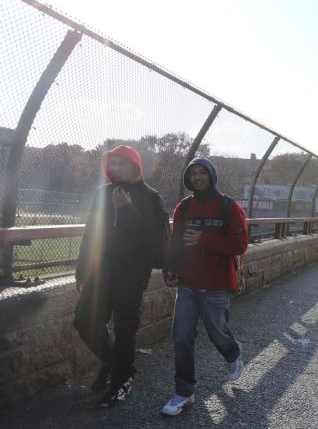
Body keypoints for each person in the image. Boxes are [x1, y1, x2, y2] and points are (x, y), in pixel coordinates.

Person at [74, 145, 167, 408]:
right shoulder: (102, 194)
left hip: (131, 275)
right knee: (83, 321)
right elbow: (91, 233)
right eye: (113, 164)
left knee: (125, 330)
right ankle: (112, 362)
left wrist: (126, 209)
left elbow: (153, 244)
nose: (116, 169)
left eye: (122, 163)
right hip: (100, 273)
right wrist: (82, 268)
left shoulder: (151, 198)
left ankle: (122, 380)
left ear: (136, 166)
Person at [161, 158, 249, 416]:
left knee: (217, 332)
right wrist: (170, 269)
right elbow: (176, 242)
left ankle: (233, 353)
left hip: (217, 284)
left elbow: (240, 245)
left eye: (203, 173)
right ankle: (184, 392)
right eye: (193, 174)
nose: (198, 178)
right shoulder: (184, 208)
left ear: (212, 176)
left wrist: (204, 239)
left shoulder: (228, 206)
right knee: (181, 337)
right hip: (187, 283)